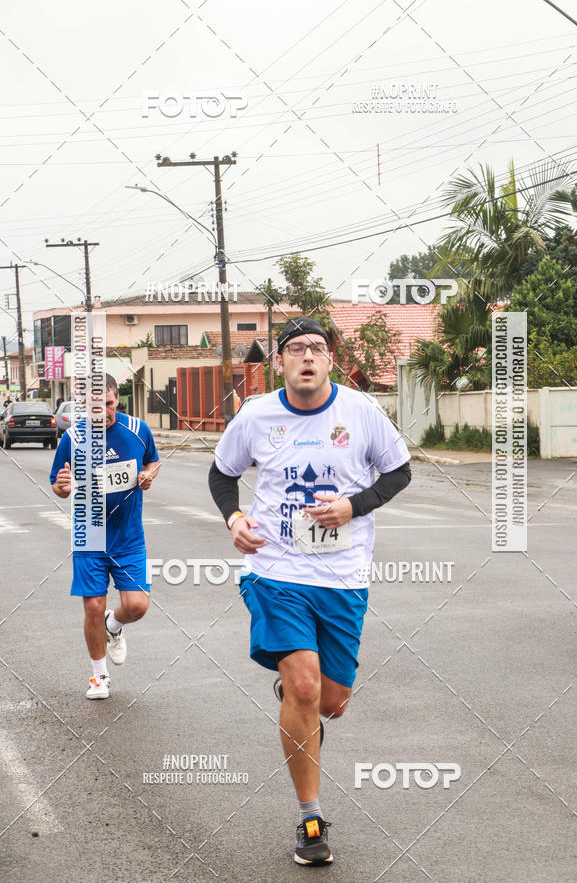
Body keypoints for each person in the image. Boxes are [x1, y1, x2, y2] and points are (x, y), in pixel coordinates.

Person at [208, 317, 411, 866]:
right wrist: (234, 520)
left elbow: (399, 472)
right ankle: (311, 819)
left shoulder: (361, 411)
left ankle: (299, 697)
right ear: (279, 362)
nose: (306, 357)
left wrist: (353, 506)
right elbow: (222, 475)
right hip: (275, 570)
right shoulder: (256, 415)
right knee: (303, 685)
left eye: (316, 348)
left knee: (331, 701)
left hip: (343, 575)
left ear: (330, 360)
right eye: (295, 348)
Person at [50, 374, 160, 700]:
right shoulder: (72, 438)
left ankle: (113, 625)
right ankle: (99, 677)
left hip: (128, 537)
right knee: (93, 607)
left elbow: (153, 461)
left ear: (116, 401)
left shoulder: (138, 429)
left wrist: (148, 475)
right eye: (95, 407)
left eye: (109, 405)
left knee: (137, 606)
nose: (103, 412)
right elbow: (58, 483)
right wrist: (62, 487)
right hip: (90, 536)